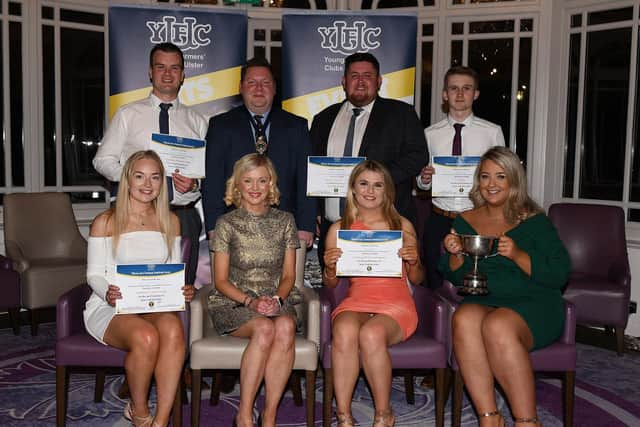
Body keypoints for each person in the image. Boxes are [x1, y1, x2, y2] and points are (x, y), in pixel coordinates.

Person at [441, 147, 570, 427]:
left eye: (500, 176)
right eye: (485, 177)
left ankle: (527, 421)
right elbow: (457, 277)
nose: (491, 184)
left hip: (534, 303)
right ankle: (489, 417)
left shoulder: (534, 220)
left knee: (498, 325)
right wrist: (455, 253)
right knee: (463, 318)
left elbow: (560, 273)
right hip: (487, 299)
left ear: (513, 180)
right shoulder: (465, 221)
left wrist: (519, 255)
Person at [84, 150, 196, 427]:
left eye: (155, 177)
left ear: (162, 182)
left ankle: (161, 420)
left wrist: (183, 289)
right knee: (146, 337)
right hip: (110, 306)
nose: (147, 184)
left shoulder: (170, 221)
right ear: (127, 180)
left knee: (172, 328)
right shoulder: (105, 221)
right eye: (139, 176)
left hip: (152, 305)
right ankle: (141, 412)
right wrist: (107, 291)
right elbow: (94, 275)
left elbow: (171, 270)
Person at [93, 42, 207, 285]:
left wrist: (195, 184)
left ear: (183, 74)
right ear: (150, 72)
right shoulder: (128, 114)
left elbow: (206, 172)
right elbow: (102, 160)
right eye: (161, 67)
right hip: (134, 215)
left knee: (180, 288)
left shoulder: (197, 121)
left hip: (182, 215)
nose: (168, 74)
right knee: (132, 286)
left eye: (175, 68)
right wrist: (133, 178)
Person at [323, 160, 423, 427]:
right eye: (363, 184)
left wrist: (414, 262)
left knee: (371, 333)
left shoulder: (402, 225)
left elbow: (418, 279)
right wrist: (329, 267)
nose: (370, 191)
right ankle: (343, 415)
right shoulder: (338, 229)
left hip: (396, 305)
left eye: (377, 185)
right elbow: (331, 285)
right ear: (353, 189)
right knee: (343, 330)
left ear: (387, 191)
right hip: (357, 301)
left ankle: (383, 413)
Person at [207, 153, 302, 427]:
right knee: (264, 328)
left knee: (283, 326)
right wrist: (251, 302)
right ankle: (245, 414)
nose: (255, 187)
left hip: (276, 298)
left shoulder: (285, 220)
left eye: (262, 180)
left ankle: (269, 414)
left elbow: (288, 275)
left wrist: (276, 299)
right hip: (233, 301)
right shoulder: (226, 224)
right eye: (248, 181)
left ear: (271, 183)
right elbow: (220, 281)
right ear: (237, 185)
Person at [311, 52, 428, 269]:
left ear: (379, 81)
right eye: (354, 76)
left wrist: (374, 180)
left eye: (368, 75)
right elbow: (311, 169)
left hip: (385, 228)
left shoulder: (401, 114)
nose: (361, 81)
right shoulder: (323, 119)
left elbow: (418, 156)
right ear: (344, 82)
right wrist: (313, 211)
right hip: (333, 226)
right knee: (335, 292)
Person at [201, 57, 315, 248]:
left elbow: (307, 178)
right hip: (233, 228)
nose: (259, 88)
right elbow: (212, 180)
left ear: (275, 88)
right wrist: (214, 227)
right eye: (252, 83)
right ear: (241, 87)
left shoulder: (296, 126)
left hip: (285, 228)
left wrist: (305, 225)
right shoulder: (220, 125)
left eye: (266, 83)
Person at [417, 65, 505, 290]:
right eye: (453, 88)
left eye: (466, 88)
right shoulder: (429, 133)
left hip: (478, 217)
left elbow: (504, 178)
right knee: (435, 280)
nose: (459, 94)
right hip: (440, 218)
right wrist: (424, 178)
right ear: (445, 94)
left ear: (475, 94)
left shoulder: (492, 132)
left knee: (478, 281)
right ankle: (439, 324)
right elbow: (420, 182)